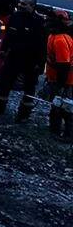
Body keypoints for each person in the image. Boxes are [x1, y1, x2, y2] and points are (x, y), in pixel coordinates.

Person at [0, 0, 46, 121]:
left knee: (29, 88)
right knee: (4, 83)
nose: (20, 5)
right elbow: (8, 36)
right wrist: (3, 50)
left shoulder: (39, 22)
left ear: (32, 6)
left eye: (23, 4)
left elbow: (43, 45)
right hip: (13, 57)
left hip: (31, 61)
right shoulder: (15, 17)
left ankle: (24, 115)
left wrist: (40, 64)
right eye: (20, 3)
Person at [46, 9, 73, 140]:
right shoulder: (53, 36)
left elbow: (64, 66)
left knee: (65, 107)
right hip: (57, 78)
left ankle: (68, 134)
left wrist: (60, 85)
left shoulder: (60, 40)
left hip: (66, 80)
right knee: (56, 104)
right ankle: (54, 129)